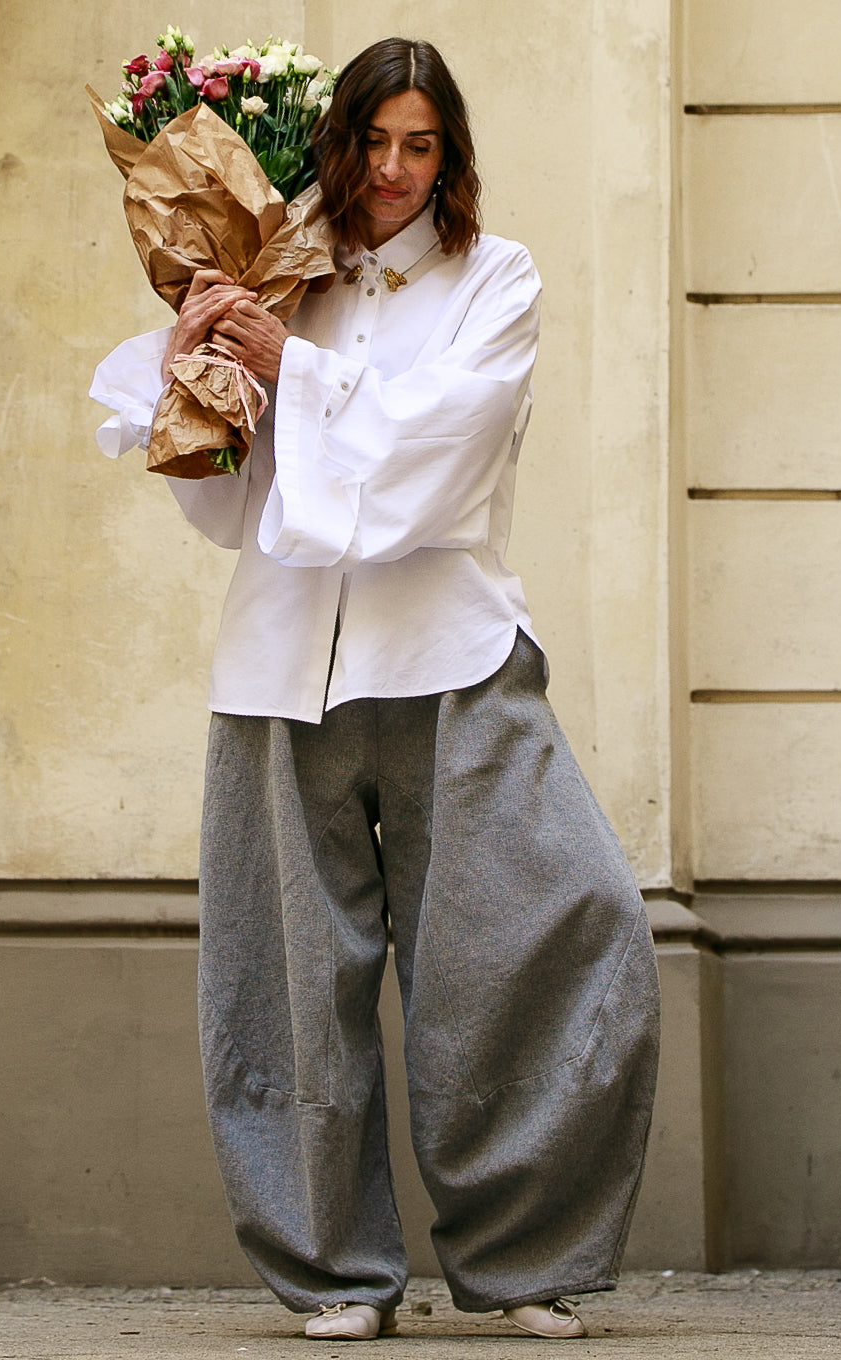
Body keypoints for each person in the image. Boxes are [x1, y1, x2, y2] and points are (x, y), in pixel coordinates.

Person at [90, 36, 660, 1342]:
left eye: (422, 144)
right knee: (291, 983)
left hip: (456, 658)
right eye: (374, 140)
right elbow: (233, 508)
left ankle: (524, 1259)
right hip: (282, 667)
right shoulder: (278, 274)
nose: (395, 169)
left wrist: (289, 367)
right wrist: (204, 362)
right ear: (334, 142)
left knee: (561, 930)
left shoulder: (494, 277)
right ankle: (336, 1274)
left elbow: (446, 448)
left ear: (450, 156)